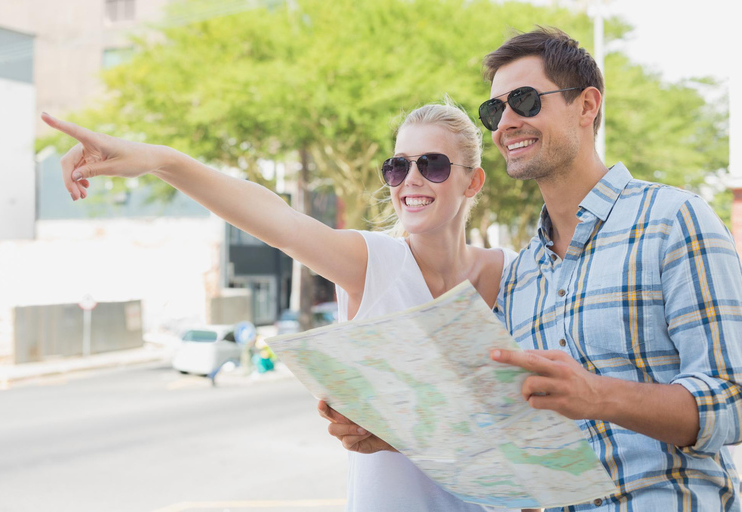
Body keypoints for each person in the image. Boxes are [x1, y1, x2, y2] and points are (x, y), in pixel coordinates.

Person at [324, 27, 742, 511]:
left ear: (587, 106)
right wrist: (399, 435)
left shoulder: (674, 221)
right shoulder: (520, 277)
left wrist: (597, 396)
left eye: (524, 100)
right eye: (494, 110)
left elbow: (731, 402)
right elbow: (513, 442)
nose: (505, 123)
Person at [42, 100, 521, 511]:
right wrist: (160, 161)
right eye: (397, 166)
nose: (410, 181)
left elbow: (534, 431)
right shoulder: (374, 264)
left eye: (432, 165)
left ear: (473, 182)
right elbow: (277, 219)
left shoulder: (517, 273)